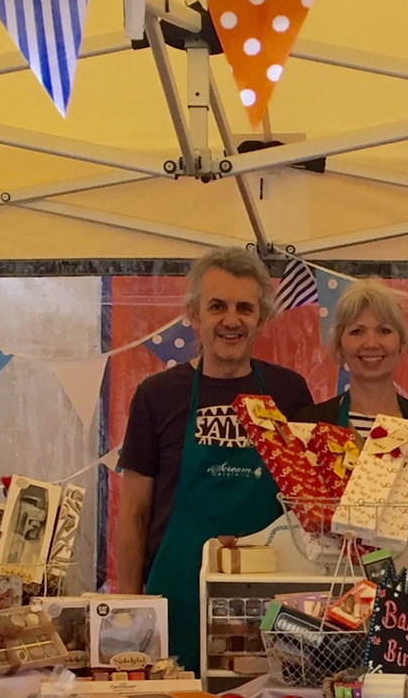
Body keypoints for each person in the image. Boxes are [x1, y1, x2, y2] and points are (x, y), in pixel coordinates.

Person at [116, 248, 313, 673]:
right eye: (217, 306)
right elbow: (133, 514)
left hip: (268, 597)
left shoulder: (289, 392)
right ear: (194, 314)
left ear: (262, 318)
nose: (231, 320)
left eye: (245, 308)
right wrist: (130, 607)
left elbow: (308, 505)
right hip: (177, 594)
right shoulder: (157, 395)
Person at [292, 279, 408, 541]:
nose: (371, 343)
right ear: (339, 346)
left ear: (402, 344)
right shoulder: (311, 424)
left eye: (384, 330)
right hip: (328, 567)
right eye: (357, 331)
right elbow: (291, 522)